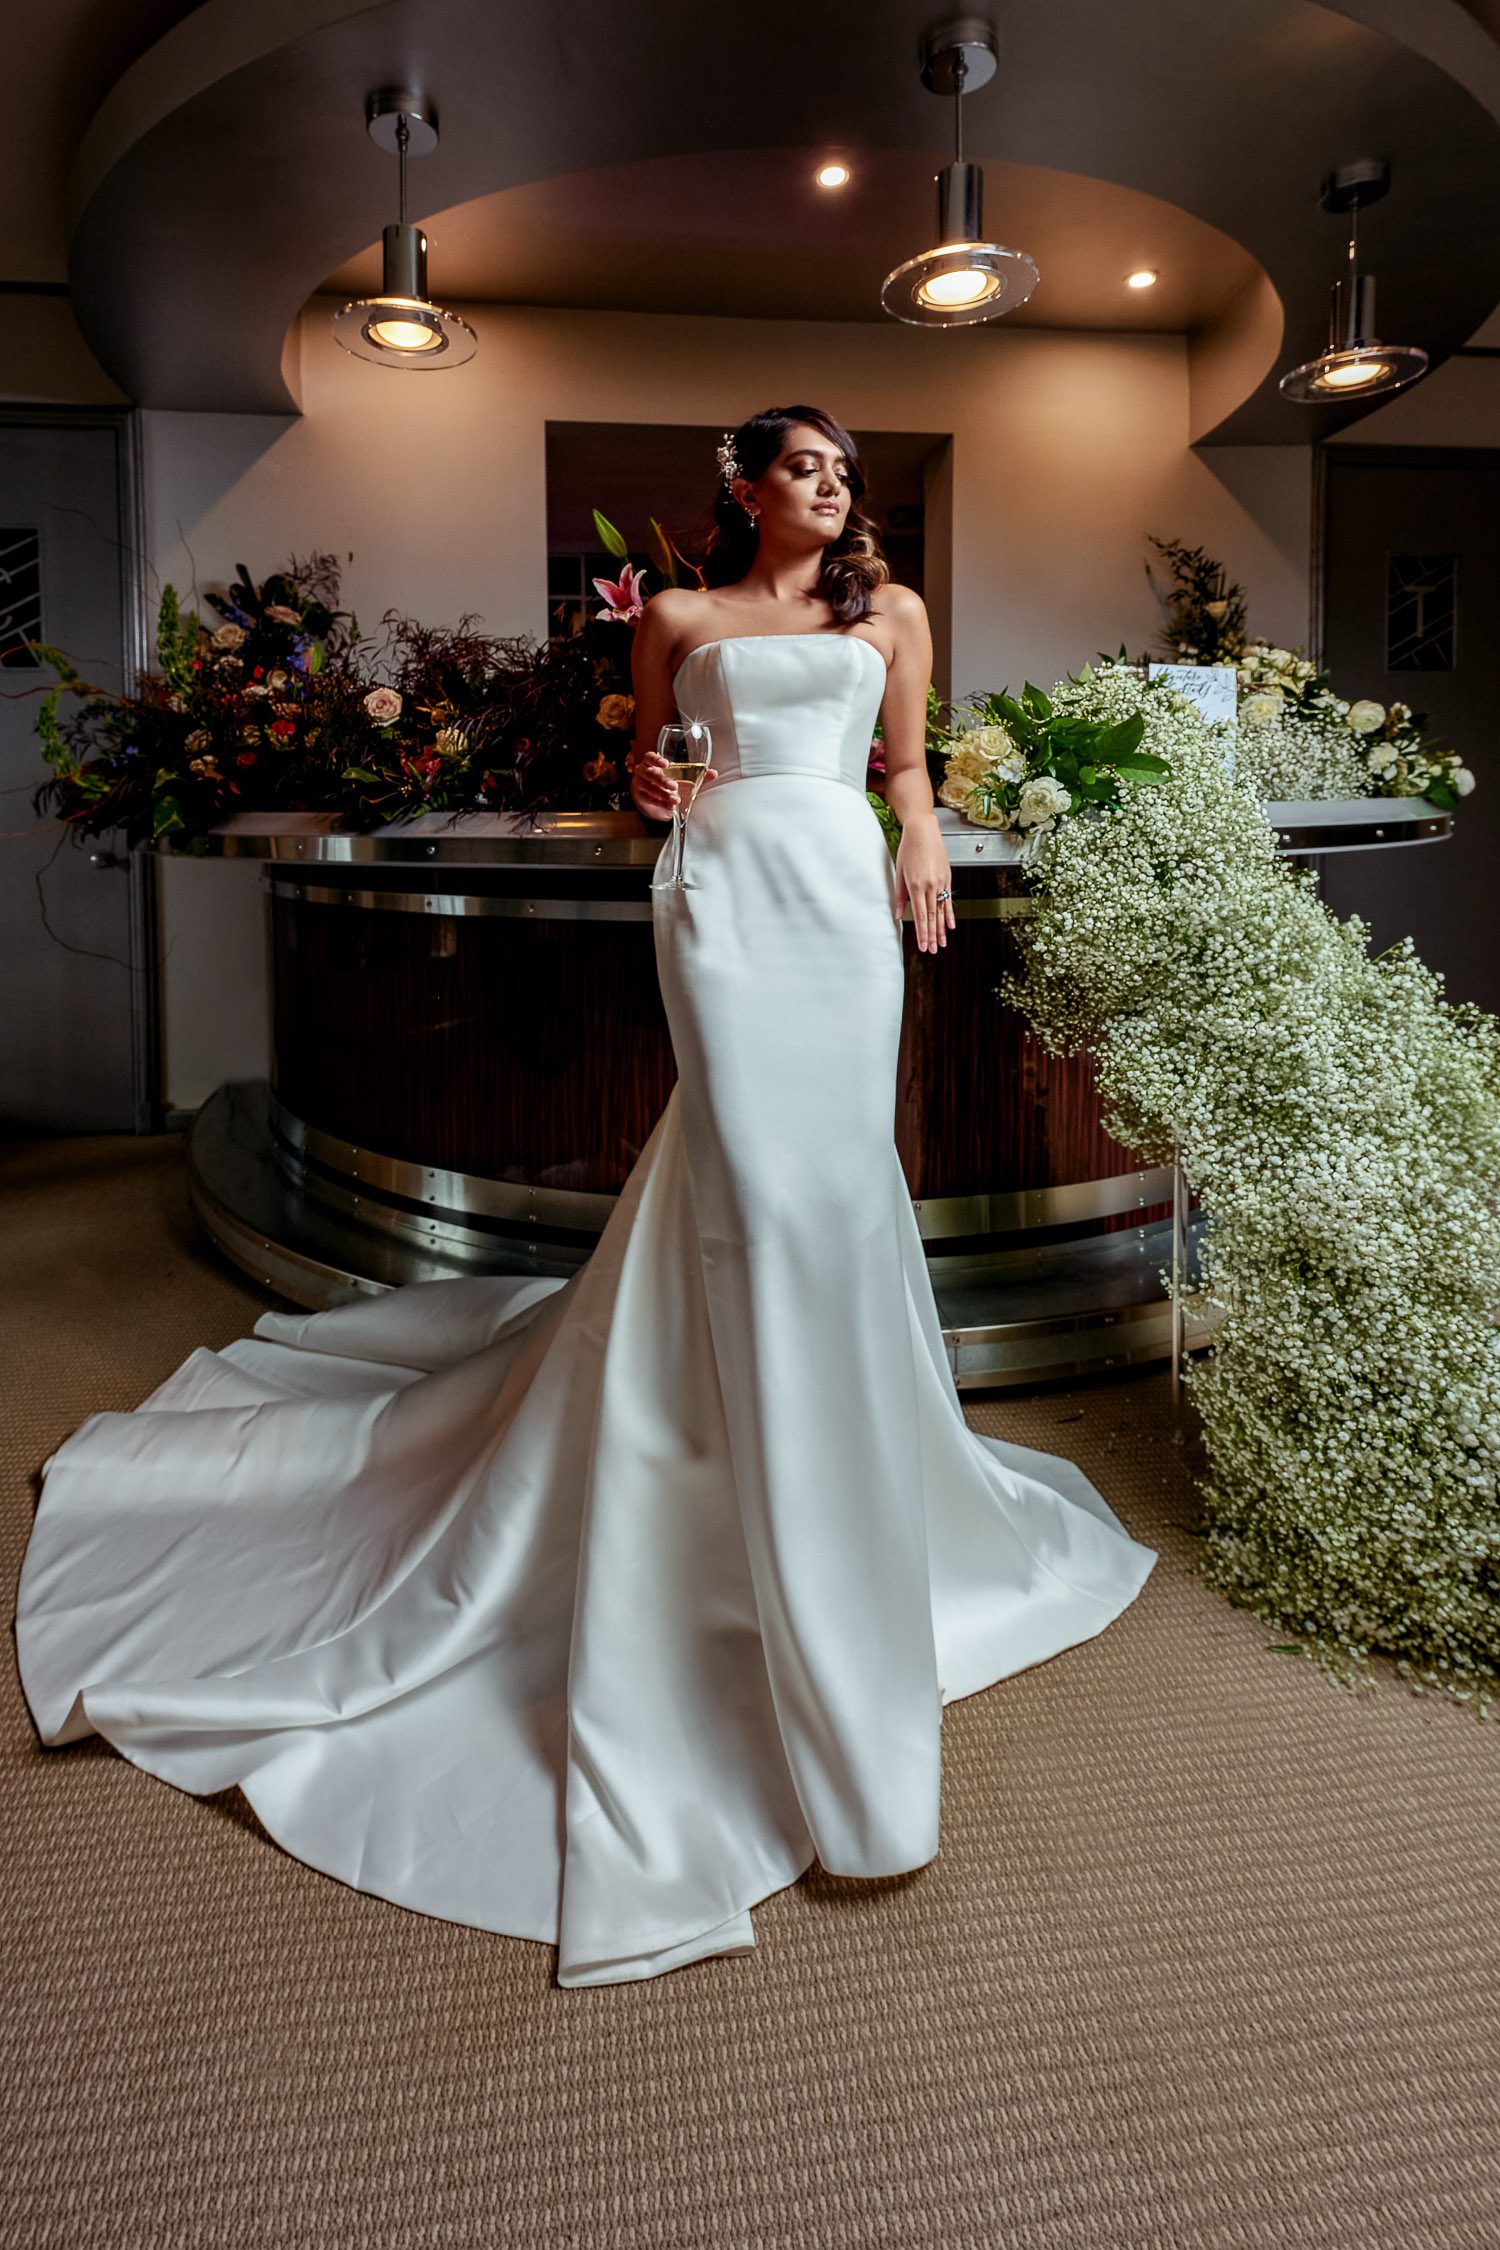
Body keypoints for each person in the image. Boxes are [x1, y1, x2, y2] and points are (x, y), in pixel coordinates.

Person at [13, 405, 1156, 1990]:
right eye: (804, 465)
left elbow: (904, 764)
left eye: (846, 469)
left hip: (834, 891)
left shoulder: (888, 611)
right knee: (747, 1173)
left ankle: (814, 1457)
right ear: (743, 487)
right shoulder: (679, 617)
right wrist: (655, 784)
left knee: (823, 1186)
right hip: (716, 901)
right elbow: (643, 763)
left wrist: (921, 842)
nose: (832, 486)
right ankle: (749, 1469)